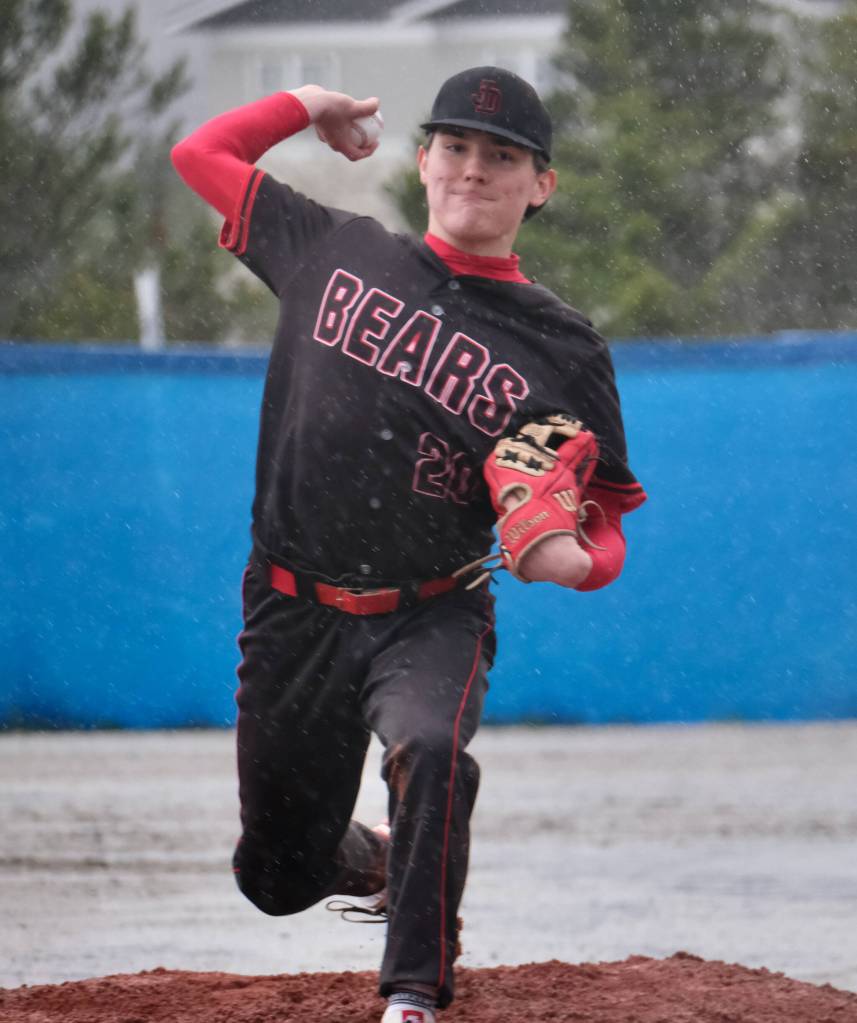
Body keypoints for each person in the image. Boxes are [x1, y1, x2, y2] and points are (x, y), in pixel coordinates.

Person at [171, 66, 646, 1023]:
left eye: (503, 155)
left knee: (431, 747)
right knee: (275, 874)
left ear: (540, 184)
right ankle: (386, 855)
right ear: (424, 160)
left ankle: (413, 995)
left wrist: (576, 563)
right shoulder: (334, 248)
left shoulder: (561, 348)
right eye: (457, 147)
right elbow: (201, 154)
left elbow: (603, 515)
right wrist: (307, 105)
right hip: (291, 605)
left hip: (431, 608)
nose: (476, 169)